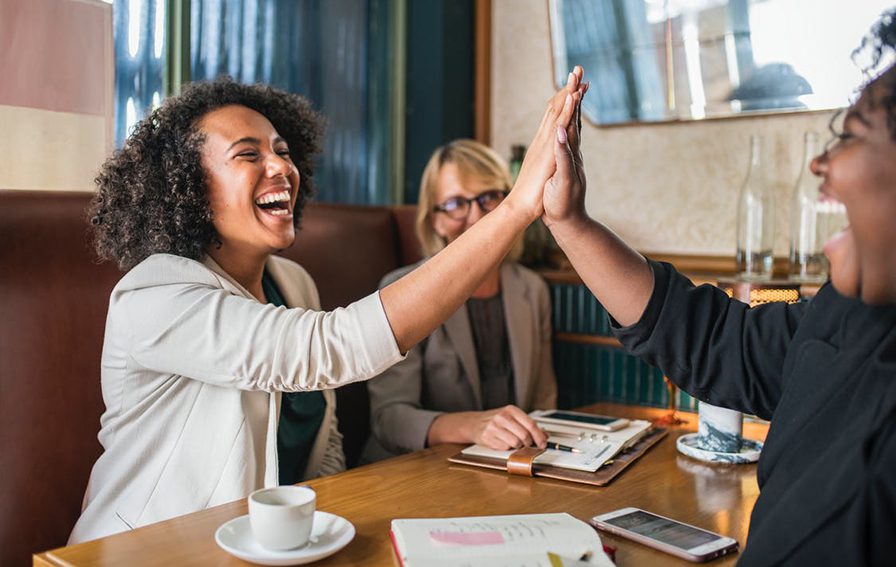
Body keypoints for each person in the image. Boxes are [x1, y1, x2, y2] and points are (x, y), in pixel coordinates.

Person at [69, 71, 587, 543]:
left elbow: (324, 440)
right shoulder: (155, 295)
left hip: (268, 548)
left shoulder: (292, 283)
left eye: (284, 151)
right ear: (187, 188)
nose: (281, 167)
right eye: (248, 154)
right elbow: (330, 348)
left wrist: (329, 532)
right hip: (144, 550)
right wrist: (518, 206)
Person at [544, 13, 896, 565]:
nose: (820, 164)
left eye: (849, 137)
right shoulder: (850, 314)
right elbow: (720, 343)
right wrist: (570, 222)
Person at [363, 140, 557, 462]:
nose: (477, 216)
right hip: (415, 469)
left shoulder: (532, 289)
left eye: (488, 197)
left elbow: (544, 402)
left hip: (506, 466)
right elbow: (389, 419)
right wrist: (472, 427)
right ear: (434, 220)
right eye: (455, 204)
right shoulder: (399, 289)